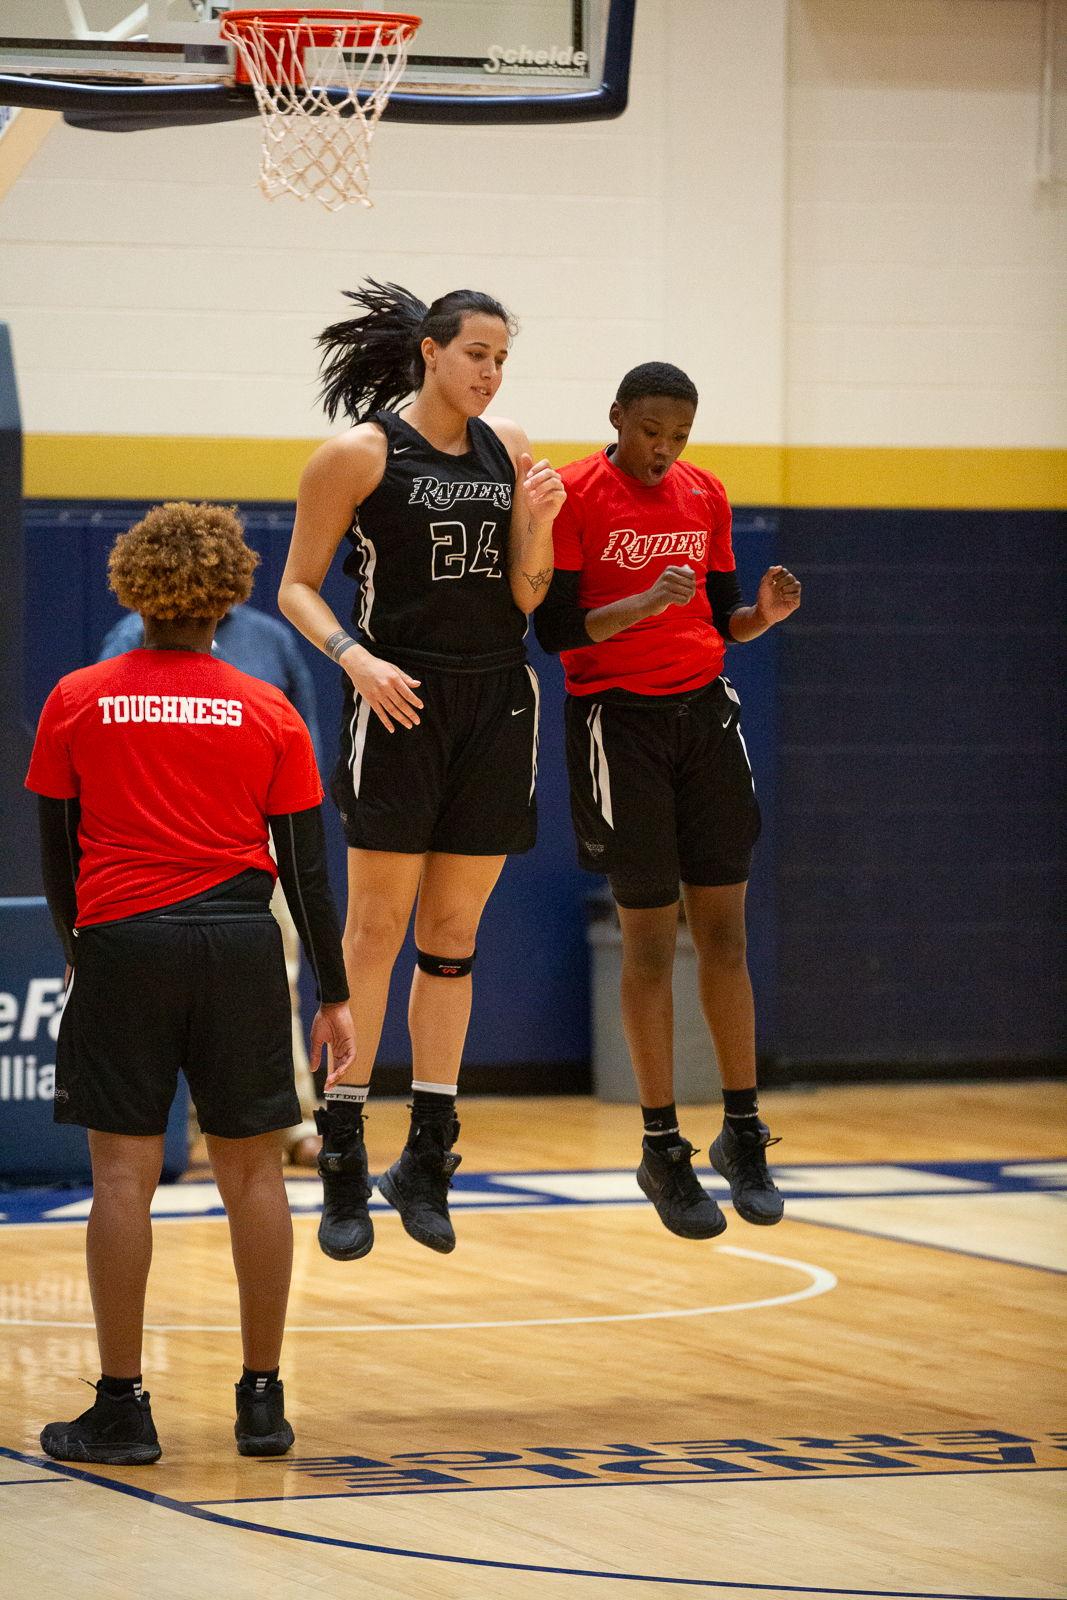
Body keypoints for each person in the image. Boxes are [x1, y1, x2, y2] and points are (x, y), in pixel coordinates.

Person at [26, 502, 355, 1466]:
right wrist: (333, 992)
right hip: (239, 948)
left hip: (122, 943)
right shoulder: (269, 709)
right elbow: (306, 869)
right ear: (229, 598)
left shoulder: (77, 696)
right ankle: (262, 1403)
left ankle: (122, 1408)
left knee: (121, 1178)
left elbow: (58, 858)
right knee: (253, 1172)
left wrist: (86, 952)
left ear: (134, 590)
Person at [279, 279, 565, 1262]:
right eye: (475, 353)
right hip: (398, 699)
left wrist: (543, 522)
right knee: (374, 928)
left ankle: (428, 1156)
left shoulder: (511, 449)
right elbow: (296, 587)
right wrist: (353, 657)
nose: (489, 373)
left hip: (497, 701)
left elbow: (528, 595)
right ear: (430, 353)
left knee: (452, 935)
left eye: (500, 359)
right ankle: (345, 1156)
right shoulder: (358, 453)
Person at [534, 362, 801, 1241]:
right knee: (648, 942)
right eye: (651, 431)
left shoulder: (705, 494)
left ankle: (742, 1131)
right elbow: (558, 629)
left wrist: (758, 618)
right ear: (617, 417)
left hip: (703, 718)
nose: (664, 449)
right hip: (617, 722)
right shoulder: (575, 492)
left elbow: (723, 617)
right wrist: (646, 599)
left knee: (723, 933)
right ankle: (659, 1143)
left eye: (679, 435)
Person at [99, 601, 326, 1167]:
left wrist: (288, 828)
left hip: (256, 834)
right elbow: (104, 740)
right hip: (154, 841)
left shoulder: (271, 640)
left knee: (277, 974)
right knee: (159, 989)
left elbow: (305, 740)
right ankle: (185, 1126)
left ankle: (291, 1120)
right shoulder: (130, 635)